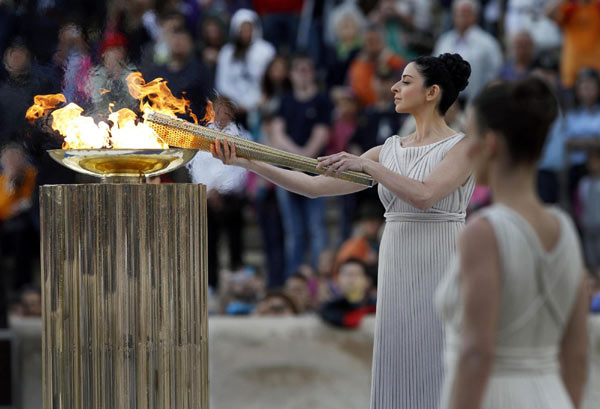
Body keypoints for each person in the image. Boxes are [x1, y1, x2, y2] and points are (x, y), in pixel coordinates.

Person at [211, 53, 475, 409]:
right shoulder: (388, 150)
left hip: (441, 262)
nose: (395, 87)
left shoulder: (462, 147)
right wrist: (246, 161)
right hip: (397, 264)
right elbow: (313, 187)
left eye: (407, 81)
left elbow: (425, 195)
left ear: (432, 93)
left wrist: (368, 165)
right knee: (399, 367)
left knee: (439, 362)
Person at [436, 77, 588, 409]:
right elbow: (577, 355)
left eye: (470, 133)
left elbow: (476, 352)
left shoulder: (484, 232)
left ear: (490, 144)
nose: (465, 146)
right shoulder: (565, 229)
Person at [269, 53, 333, 278]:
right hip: (288, 174)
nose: (303, 75)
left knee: (316, 231)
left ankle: (318, 283)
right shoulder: (285, 100)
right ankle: (293, 284)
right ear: (292, 75)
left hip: (317, 173)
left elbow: (321, 135)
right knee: (294, 233)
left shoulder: (322, 100)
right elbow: (277, 135)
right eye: (299, 70)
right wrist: (298, 162)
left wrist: (301, 161)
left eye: (307, 70)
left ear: (313, 74)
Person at [433, 0, 503, 101]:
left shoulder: (488, 43)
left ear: (475, 15)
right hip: (447, 102)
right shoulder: (444, 41)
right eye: (458, 12)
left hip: (477, 101)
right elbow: (435, 69)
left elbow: (495, 73)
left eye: (465, 12)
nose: (461, 16)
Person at [319, 258, 376, 329]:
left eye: (356, 274)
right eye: (346, 274)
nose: (350, 279)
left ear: (367, 281)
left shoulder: (376, 305)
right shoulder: (330, 307)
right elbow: (349, 321)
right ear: (338, 280)